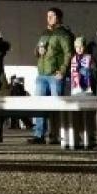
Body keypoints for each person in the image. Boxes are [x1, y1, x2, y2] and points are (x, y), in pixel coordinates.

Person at [29, 8, 74, 145]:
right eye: (47, 16)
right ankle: (39, 134)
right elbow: (36, 52)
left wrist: (63, 70)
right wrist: (38, 50)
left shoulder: (63, 34)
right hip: (42, 74)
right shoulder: (45, 33)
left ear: (59, 17)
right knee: (39, 105)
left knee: (58, 105)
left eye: (52, 16)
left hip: (55, 74)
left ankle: (58, 134)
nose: (48, 18)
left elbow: (68, 53)